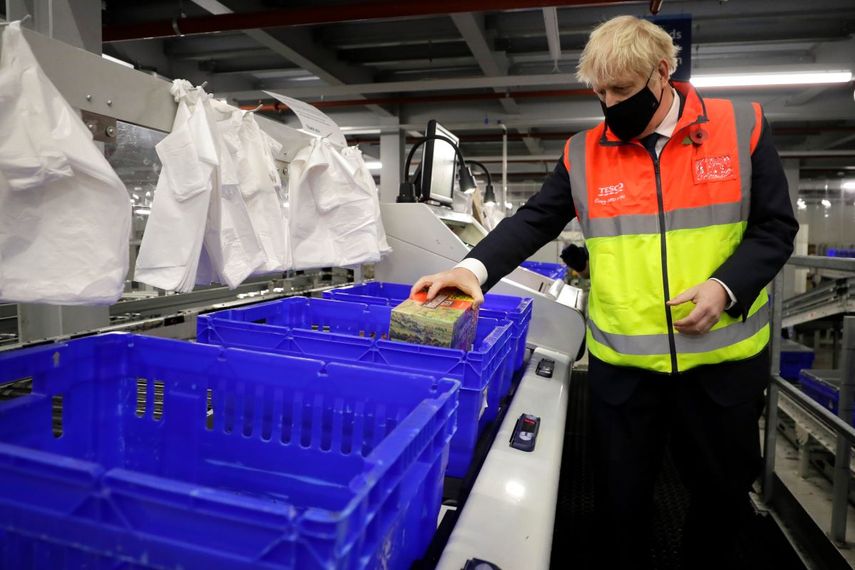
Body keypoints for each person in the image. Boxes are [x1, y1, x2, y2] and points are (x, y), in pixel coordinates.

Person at [410, 15, 798, 569]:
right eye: (599, 92)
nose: (610, 104)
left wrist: (725, 287)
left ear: (663, 73)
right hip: (625, 368)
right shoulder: (583, 153)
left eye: (621, 89)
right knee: (620, 503)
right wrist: (472, 271)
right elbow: (534, 220)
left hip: (722, 365)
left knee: (720, 497)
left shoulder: (742, 128)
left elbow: (775, 229)